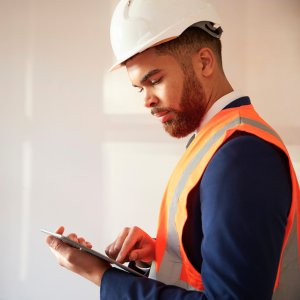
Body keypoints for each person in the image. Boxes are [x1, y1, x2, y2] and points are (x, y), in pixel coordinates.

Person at [45, 0, 300, 299]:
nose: (146, 100)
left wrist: (100, 275)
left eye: (155, 80)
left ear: (204, 62)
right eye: (141, 88)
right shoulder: (216, 140)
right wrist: (160, 251)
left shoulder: (241, 155)